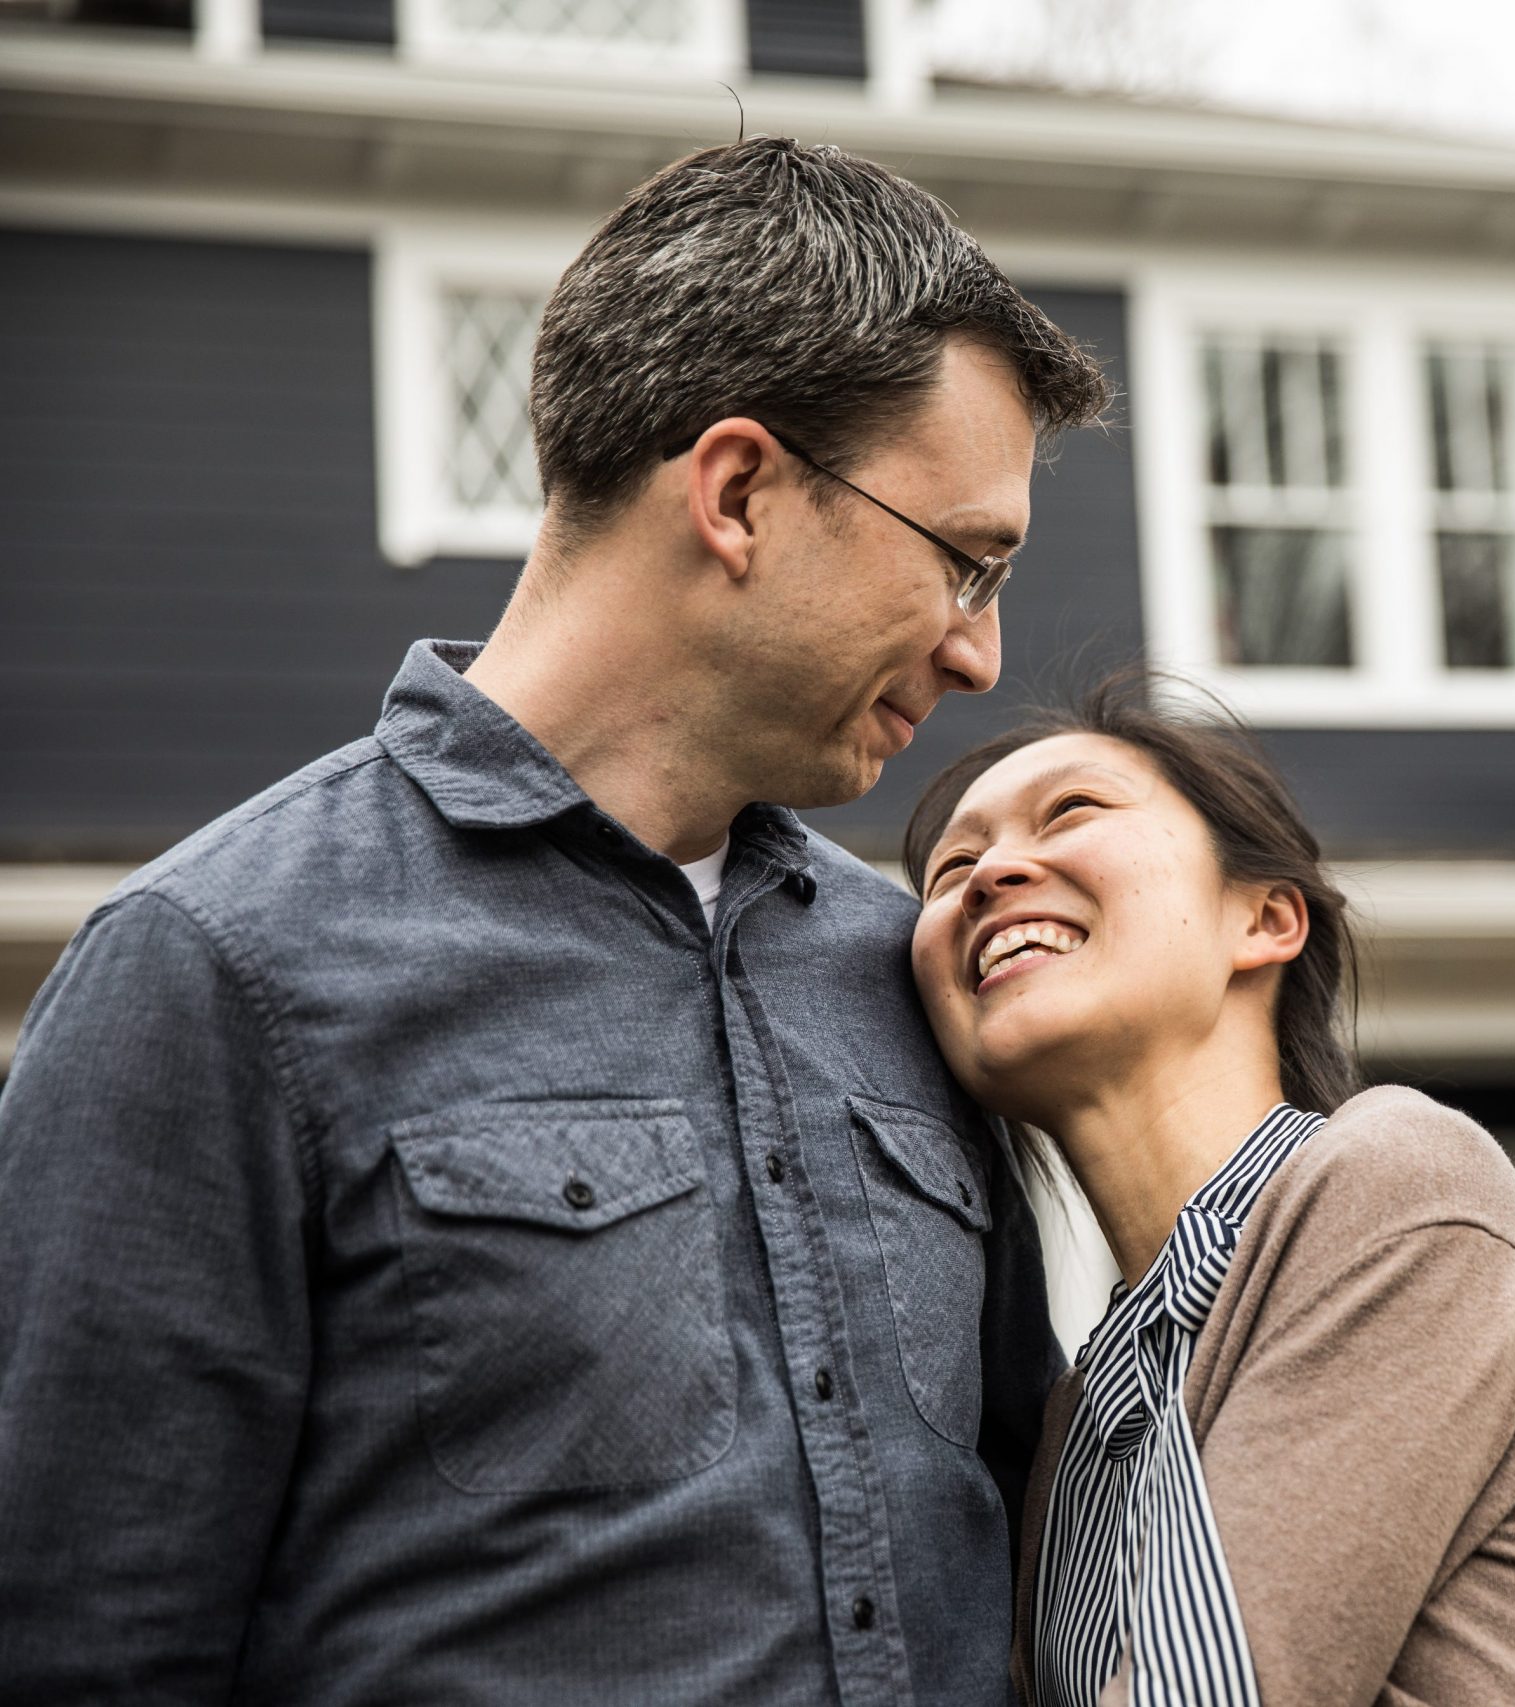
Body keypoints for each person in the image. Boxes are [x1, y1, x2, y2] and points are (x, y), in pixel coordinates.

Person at [0, 138, 1110, 1704]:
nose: (983, 653)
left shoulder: (910, 967)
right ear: (738, 493)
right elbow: (83, 1649)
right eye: (964, 561)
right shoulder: (214, 970)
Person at [904, 677, 1515, 1707]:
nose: (991, 874)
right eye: (948, 869)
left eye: (1070, 812)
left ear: (1264, 918)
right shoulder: (1079, 1414)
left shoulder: (1402, 1189)